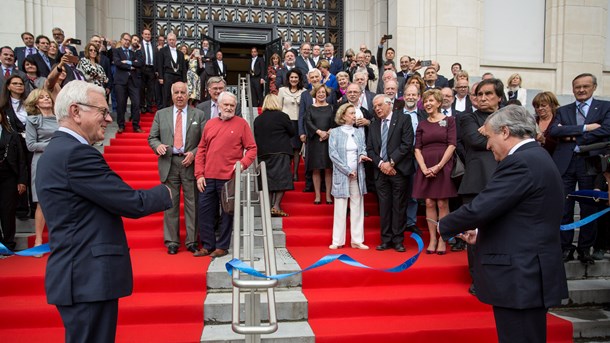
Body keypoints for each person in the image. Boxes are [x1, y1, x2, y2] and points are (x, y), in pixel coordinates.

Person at [36, 80, 172, 342]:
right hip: (87, 277)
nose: (109, 118)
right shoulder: (76, 154)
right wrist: (165, 193)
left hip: (82, 275)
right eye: (102, 111)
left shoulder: (59, 150)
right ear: (76, 112)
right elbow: (129, 202)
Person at [439, 104, 568, 343]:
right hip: (529, 270)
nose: (487, 145)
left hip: (521, 274)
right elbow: (522, 215)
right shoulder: (537, 156)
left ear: (505, 132)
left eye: (489, 137)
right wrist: (480, 233)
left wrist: (442, 226)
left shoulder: (520, 162)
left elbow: (482, 206)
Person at [549, 73, 610, 264]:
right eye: (577, 87)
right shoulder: (563, 110)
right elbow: (554, 131)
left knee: (589, 207)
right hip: (565, 163)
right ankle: (565, 247)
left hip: (590, 163)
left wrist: (573, 136)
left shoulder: (605, 107)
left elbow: (606, 130)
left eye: (585, 86)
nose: (581, 90)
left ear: (593, 87)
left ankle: (585, 248)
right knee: (563, 207)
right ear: (572, 88)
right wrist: (586, 128)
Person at [194, 91, 257, 258]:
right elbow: (201, 150)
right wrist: (199, 174)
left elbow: (252, 149)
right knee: (205, 211)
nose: (229, 108)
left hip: (229, 178)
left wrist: (242, 165)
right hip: (207, 177)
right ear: (219, 106)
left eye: (232, 105)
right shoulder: (209, 124)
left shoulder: (242, 124)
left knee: (227, 213)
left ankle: (222, 246)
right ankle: (207, 245)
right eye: (226, 105)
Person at [148, 81, 205, 255]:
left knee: (192, 203)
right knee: (170, 204)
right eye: (176, 93)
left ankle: (192, 241)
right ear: (171, 95)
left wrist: (194, 153)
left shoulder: (199, 115)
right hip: (169, 162)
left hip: (190, 164)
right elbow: (152, 137)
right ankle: (172, 241)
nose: (179, 96)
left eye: (183, 92)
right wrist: (157, 146)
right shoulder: (161, 114)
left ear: (189, 95)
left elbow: (205, 141)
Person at [367, 94, 414, 252]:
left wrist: (391, 162)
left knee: (398, 207)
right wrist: (382, 164)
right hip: (381, 172)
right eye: (375, 107)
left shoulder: (403, 119)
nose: (377, 109)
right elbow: (370, 149)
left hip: (398, 170)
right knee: (384, 207)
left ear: (389, 104)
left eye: (379, 105)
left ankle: (398, 240)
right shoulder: (374, 125)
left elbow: (406, 144)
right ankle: (386, 239)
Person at [412, 89, 457, 255]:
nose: (428, 104)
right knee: (429, 202)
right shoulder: (422, 124)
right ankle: (432, 238)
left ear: (439, 103)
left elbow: (452, 145)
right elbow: (417, 148)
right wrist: (424, 168)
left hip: (443, 165)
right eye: (426, 101)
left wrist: (438, 167)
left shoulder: (449, 120)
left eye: (431, 101)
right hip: (425, 166)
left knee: (442, 203)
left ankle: (442, 239)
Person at [328, 103, 371, 250]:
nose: (354, 116)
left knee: (357, 206)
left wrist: (362, 155)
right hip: (342, 174)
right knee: (340, 208)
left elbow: (363, 148)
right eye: (351, 113)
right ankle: (337, 241)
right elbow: (333, 154)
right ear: (343, 115)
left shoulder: (359, 132)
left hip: (358, 174)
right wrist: (347, 170)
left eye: (355, 113)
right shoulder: (335, 132)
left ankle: (357, 240)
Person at [24, 88, 59, 254]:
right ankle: (38, 241)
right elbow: (30, 145)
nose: (46, 99)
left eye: (48, 96)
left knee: (61, 200)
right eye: (42, 97)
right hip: (41, 162)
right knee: (42, 203)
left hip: (60, 161)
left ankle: (58, 241)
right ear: (36, 102)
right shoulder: (32, 120)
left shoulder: (61, 118)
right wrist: (53, 145)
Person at [253, 94, 295, 217]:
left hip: (263, 153)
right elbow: (292, 132)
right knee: (282, 179)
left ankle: (268, 206)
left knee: (268, 181)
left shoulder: (258, 119)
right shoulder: (283, 116)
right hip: (281, 151)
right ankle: (276, 206)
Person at [0, 105, 27, 252]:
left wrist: (22, 180)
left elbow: (21, 160)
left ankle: (9, 244)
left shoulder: (12, 134)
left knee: (8, 211)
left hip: (9, 177)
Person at [305, 84, 335, 205]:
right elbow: (308, 122)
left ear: (326, 94)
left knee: (328, 169)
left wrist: (327, 133)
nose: (321, 94)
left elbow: (336, 122)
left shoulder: (332, 108)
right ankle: (317, 196)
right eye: (319, 92)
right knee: (316, 169)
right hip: (315, 141)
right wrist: (319, 132)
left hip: (329, 140)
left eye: (323, 92)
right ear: (315, 94)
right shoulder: (310, 108)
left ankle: (328, 195)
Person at [277, 69, 306, 180]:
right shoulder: (282, 90)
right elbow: (279, 107)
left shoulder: (304, 91)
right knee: (287, 148)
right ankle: (287, 172)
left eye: (296, 77)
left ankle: (295, 173)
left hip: (298, 122)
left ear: (299, 79)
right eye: (292, 77)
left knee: (296, 149)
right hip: (286, 122)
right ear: (288, 79)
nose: (294, 79)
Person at [113, 32, 144, 133]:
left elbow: (140, 63)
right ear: (121, 40)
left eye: (128, 40)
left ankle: (136, 126)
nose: (127, 42)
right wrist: (131, 66)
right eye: (125, 39)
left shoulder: (132, 53)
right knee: (121, 104)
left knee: (136, 103)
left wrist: (128, 62)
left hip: (133, 81)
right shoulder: (116, 51)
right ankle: (121, 125)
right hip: (120, 82)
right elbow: (117, 63)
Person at [157, 33, 187, 108]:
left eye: (173, 40)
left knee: (178, 94)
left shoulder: (180, 53)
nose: (171, 41)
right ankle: (166, 110)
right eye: (170, 40)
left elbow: (183, 67)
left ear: (176, 41)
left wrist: (185, 80)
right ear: (167, 41)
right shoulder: (162, 51)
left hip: (178, 76)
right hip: (167, 75)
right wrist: (161, 77)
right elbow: (160, 64)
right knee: (167, 94)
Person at [532, 91, 560, 156]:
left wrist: (544, 141)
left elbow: (561, 146)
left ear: (552, 105)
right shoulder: (532, 121)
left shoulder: (558, 121)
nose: (540, 108)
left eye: (543, 105)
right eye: (537, 106)